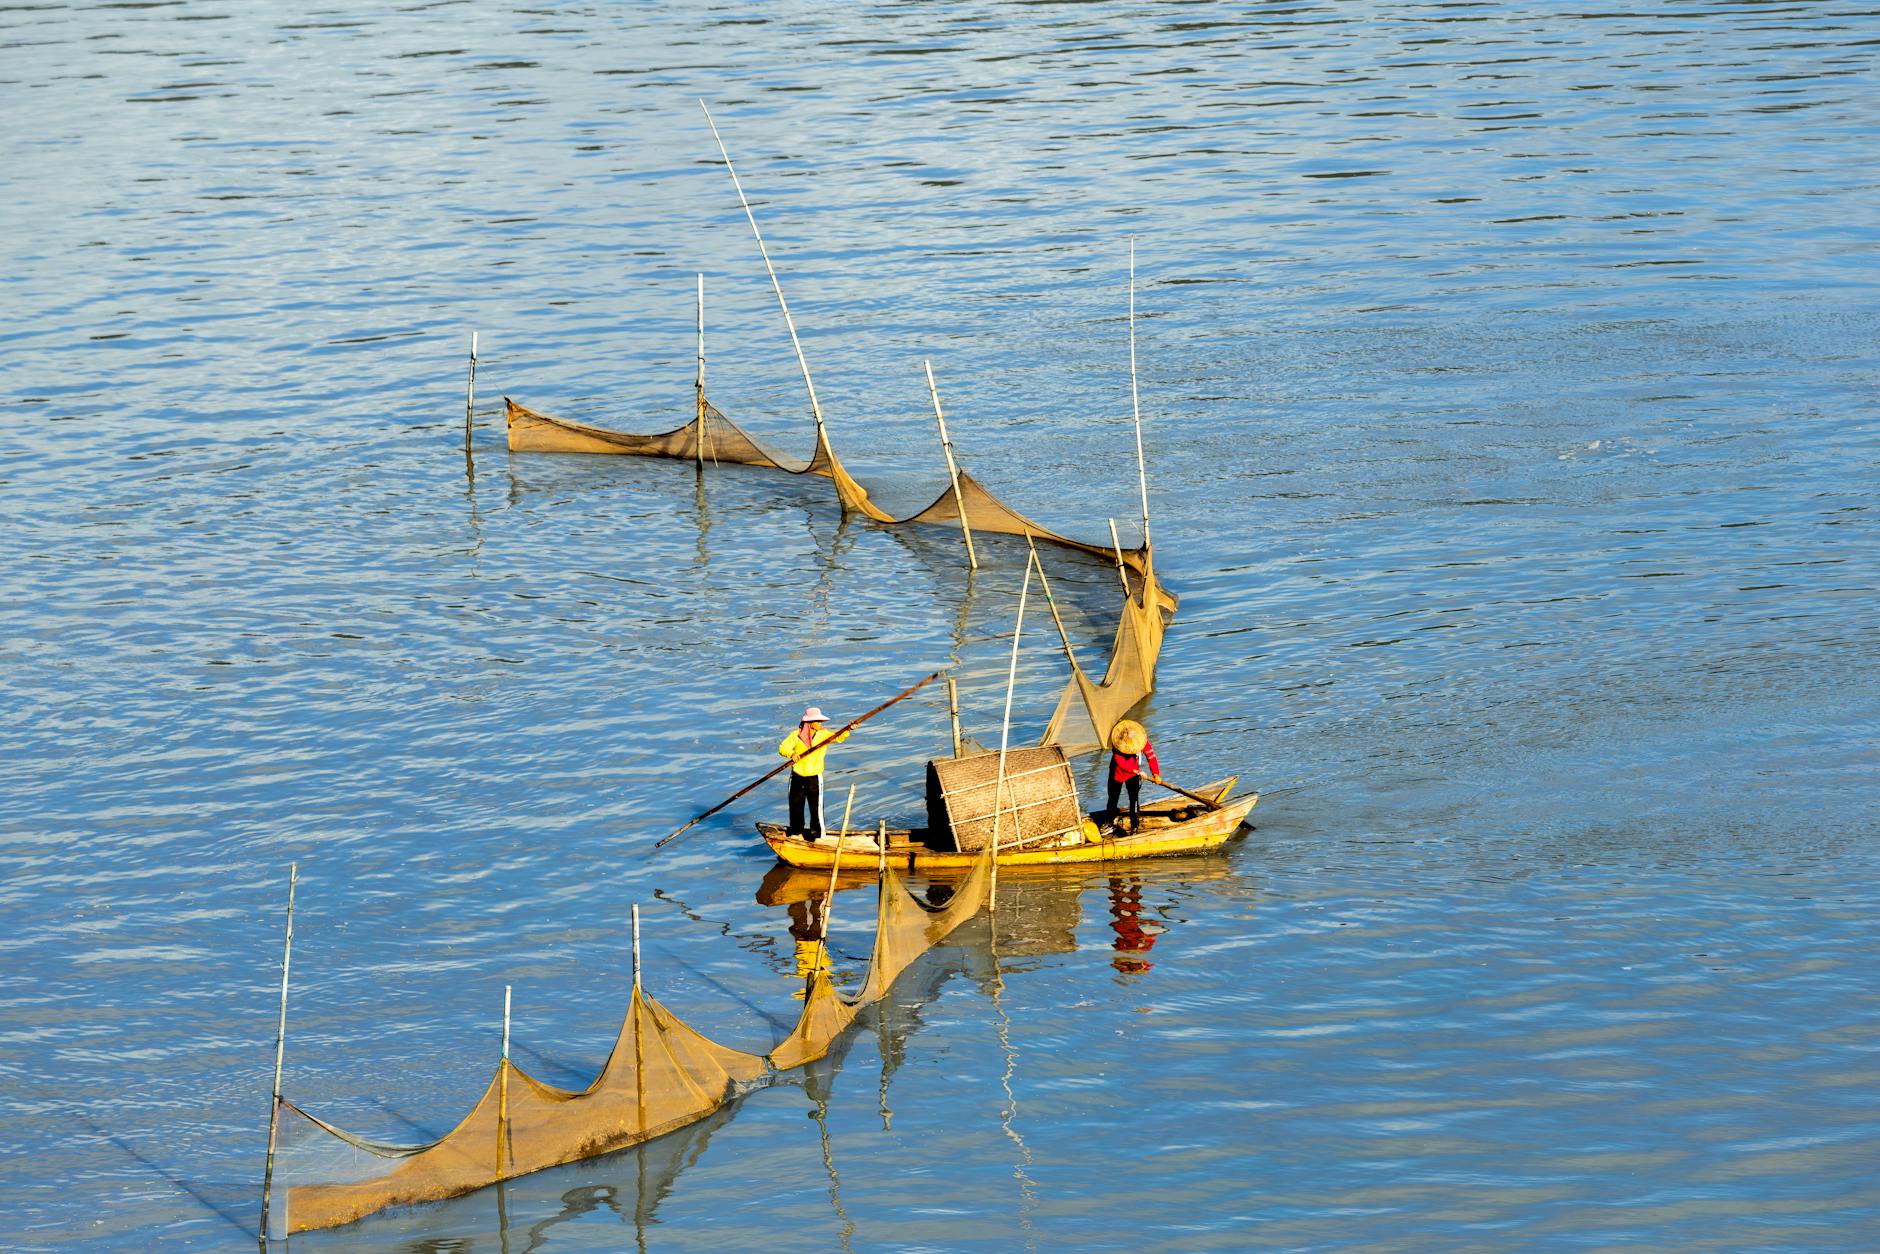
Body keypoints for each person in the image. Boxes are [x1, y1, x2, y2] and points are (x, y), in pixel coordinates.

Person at [779, 706, 850, 843]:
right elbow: (783, 748)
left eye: (820, 721)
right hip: (797, 776)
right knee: (796, 805)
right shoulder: (796, 735)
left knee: (816, 807)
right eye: (817, 721)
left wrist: (849, 729)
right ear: (809, 723)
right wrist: (791, 754)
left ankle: (818, 835)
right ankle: (796, 832)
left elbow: (839, 737)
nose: (820, 723)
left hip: (814, 777)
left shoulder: (823, 735)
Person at [1106, 719, 1160, 834]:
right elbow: (1119, 761)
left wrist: (1156, 774)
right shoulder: (1118, 743)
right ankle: (1110, 822)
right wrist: (1137, 771)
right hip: (1117, 773)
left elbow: (1151, 756)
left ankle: (1134, 825)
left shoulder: (1141, 741)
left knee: (1134, 799)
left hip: (1133, 775)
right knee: (1113, 798)